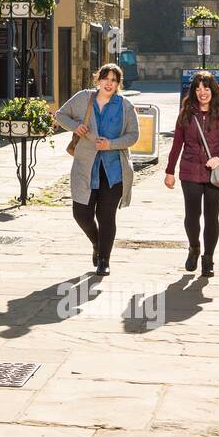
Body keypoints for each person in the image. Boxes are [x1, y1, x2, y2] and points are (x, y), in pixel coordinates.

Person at [54, 63, 140, 277]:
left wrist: (110, 144)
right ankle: (97, 242)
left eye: (114, 80)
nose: (109, 83)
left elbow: (133, 136)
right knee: (81, 213)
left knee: (106, 216)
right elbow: (61, 115)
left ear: (119, 84)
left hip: (114, 171)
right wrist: (76, 127)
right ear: (98, 80)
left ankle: (104, 260)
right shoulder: (84, 98)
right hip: (86, 168)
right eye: (105, 78)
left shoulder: (125, 106)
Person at [165, 71, 219, 277]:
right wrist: (170, 171)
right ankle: (194, 248)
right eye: (197, 88)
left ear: (213, 89)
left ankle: (209, 259)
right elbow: (177, 143)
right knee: (192, 215)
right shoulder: (186, 112)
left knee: (211, 217)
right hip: (190, 171)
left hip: (216, 173)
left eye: (205, 88)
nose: (202, 92)